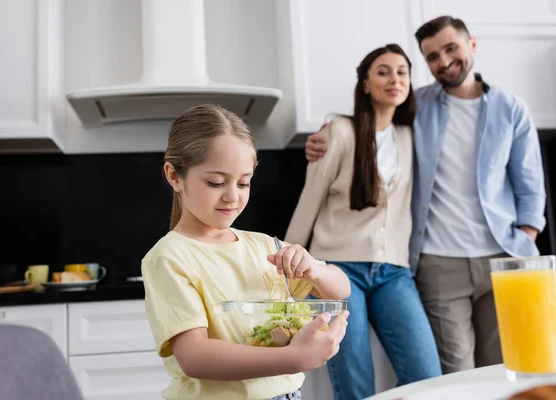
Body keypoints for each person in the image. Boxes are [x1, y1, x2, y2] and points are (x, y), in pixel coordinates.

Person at [305, 16, 546, 374]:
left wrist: (525, 236)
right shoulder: (415, 106)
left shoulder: (511, 108)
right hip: (438, 263)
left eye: (451, 48)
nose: (444, 61)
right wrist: (324, 136)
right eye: (432, 56)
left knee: (503, 367)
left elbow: (530, 184)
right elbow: (372, 124)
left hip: (501, 256)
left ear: (472, 45)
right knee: (456, 374)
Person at [141, 104, 351, 400]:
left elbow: (340, 290)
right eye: (216, 182)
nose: (232, 196)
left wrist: (315, 270)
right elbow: (195, 357)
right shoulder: (170, 257)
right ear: (174, 176)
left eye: (243, 182)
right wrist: (295, 358)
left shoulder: (265, 246)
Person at [285, 44, 442, 400]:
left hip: (394, 271)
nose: (395, 79)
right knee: (355, 386)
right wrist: (286, 267)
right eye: (384, 72)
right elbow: (309, 200)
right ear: (366, 84)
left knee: (427, 379)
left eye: (402, 72)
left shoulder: (411, 136)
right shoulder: (338, 131)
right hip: (338, 269)